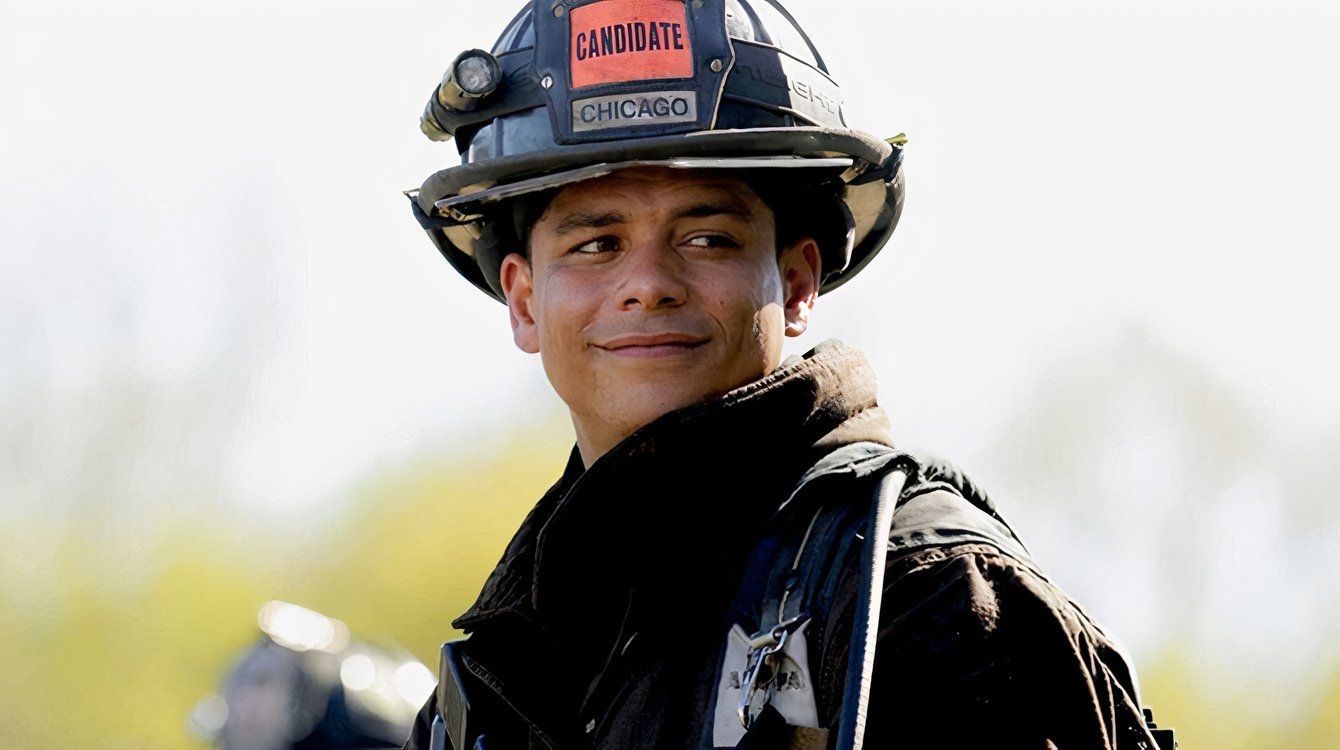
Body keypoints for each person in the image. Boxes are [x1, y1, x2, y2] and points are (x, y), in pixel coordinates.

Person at [402, 1, 1174, 748]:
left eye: (706, 237)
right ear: (525, 301)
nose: (649, 282)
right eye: (596, 244)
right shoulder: (496, 678)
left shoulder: (918, 594)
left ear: (798, 283)